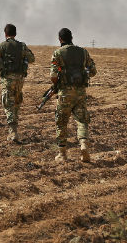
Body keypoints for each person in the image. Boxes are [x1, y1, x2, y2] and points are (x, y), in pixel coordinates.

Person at [49, 28, 96, 162]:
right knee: (82, 121)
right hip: (80, 93)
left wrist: (58, 82)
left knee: (61, 122)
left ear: (60, 39)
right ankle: (83, 145)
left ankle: (62, 154)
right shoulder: (83, 52)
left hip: (65, 93)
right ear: (72, 37)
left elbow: (52, 76)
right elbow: (93, 71)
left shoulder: (58, 53)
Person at [0, 24, 35, 143]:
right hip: (20, 79)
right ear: (15, 34)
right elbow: (32, 59)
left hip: (7, 79)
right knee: (16, 102)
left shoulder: (1, 46)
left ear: (5, 34)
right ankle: (14, 129)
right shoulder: (22, 46)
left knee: (8, 104)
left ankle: (13, 132)